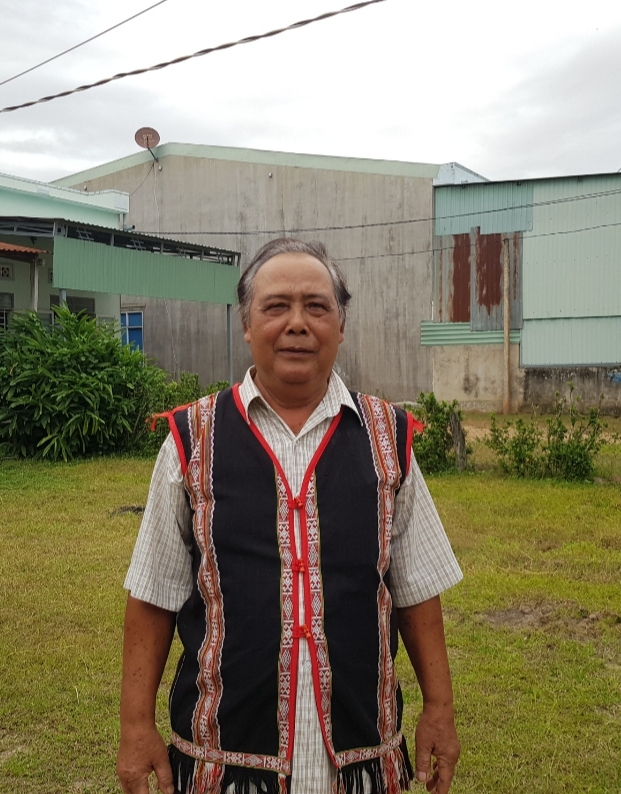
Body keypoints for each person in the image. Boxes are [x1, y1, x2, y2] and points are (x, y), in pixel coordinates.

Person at [118, 238, 463, 794]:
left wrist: (439, 709)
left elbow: (417, 589)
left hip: (361, 762)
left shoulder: (387, 439)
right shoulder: (193, 440)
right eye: (276, 306)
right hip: (223, 766)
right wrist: (136, 726)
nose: (297, 324)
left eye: (317, 307)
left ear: (341, 325)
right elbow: (153, 595)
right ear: (247, 324)